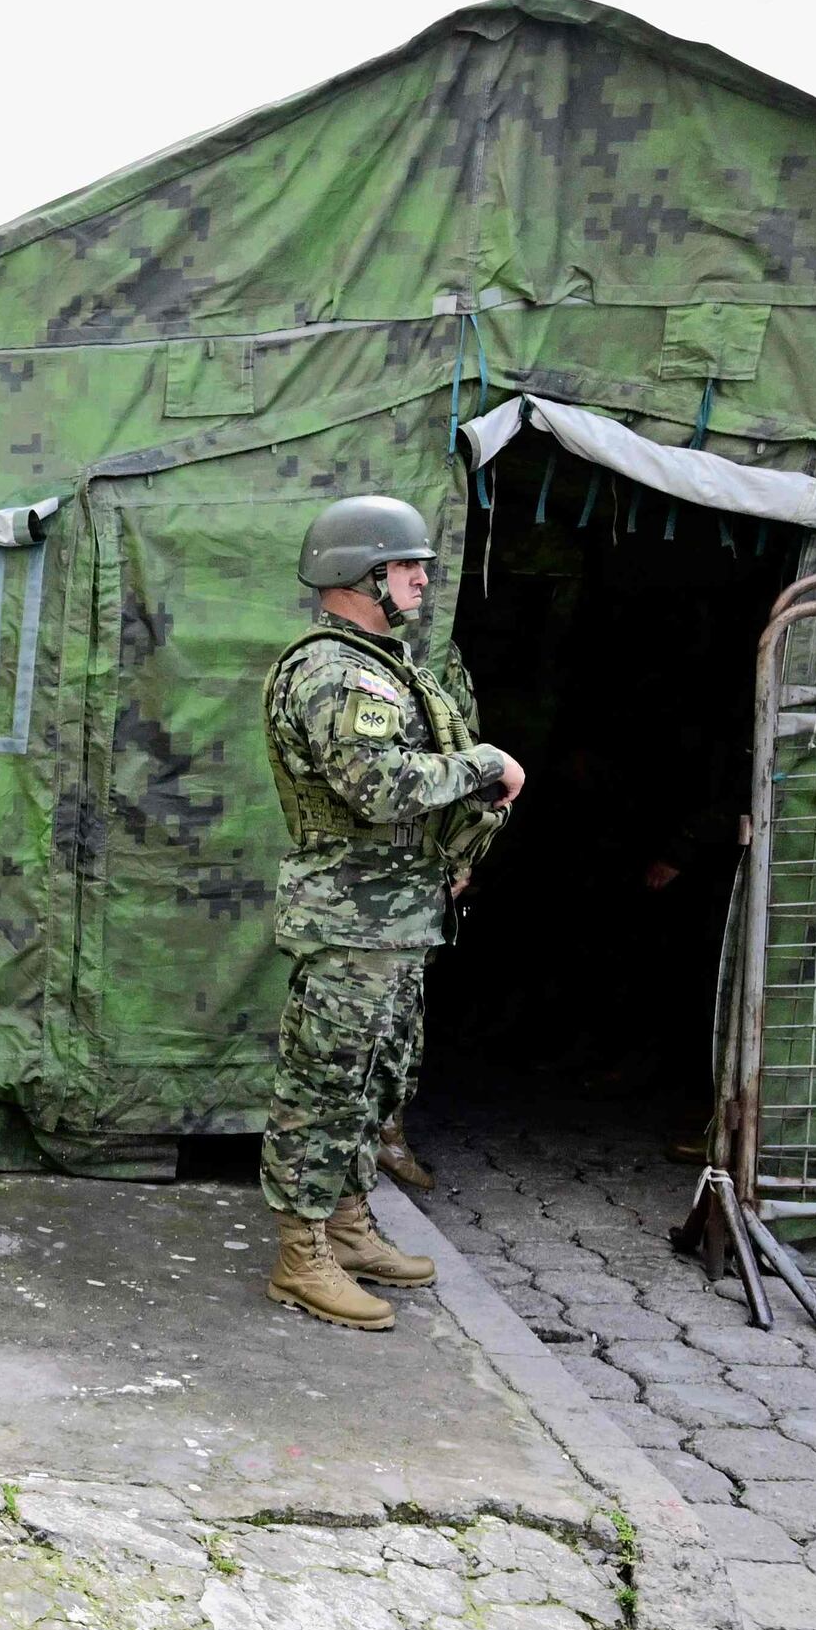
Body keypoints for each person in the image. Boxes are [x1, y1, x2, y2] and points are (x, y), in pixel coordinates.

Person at [262, 496, 521, 1329]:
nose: (419, 579)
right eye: (406, 566)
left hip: (394, 917)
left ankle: (345, 1223)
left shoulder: (382, 664)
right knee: (326, 1082)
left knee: (378, 1077)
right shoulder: (338, 674)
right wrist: (484, 764)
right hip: (353, 921)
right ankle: (301, 1257)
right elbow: (379, 787)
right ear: (360, 572)